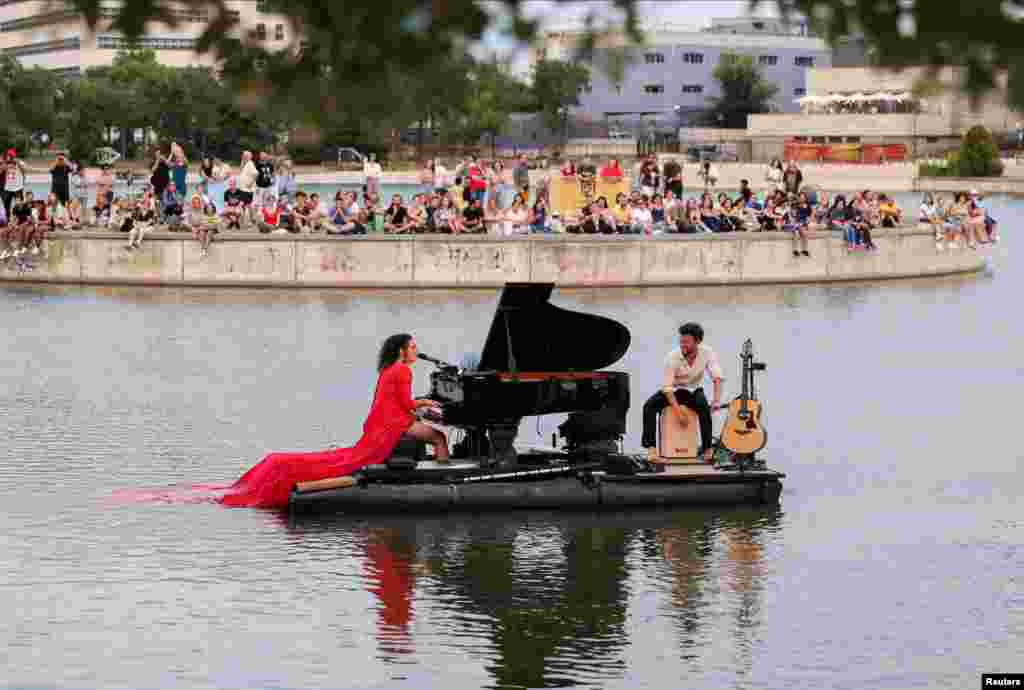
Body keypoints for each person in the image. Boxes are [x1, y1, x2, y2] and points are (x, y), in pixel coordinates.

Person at [220, 334, 448, 509]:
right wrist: (427, 403)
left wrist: (421, 405)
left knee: (349, 456)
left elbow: (397, 401)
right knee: (439, 438)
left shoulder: (388, 369)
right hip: (396, 423)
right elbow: (407, 404)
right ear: (402, 350)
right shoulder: (403, 371)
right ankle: (443, 486)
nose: (416, 352)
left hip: (383, 423)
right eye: (413, 347)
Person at [642, 323, 723, 464]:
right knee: (649, 406)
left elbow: (717, 378)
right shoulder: (672, 357)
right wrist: (679, 412)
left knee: (704, 409)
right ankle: (651, 450)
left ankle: (707, 450)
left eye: (687, 342)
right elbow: (667, 388)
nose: (683, 345)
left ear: (697, 342)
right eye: (681, 341)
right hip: (673, 390)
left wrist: (716, 401)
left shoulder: (707, 353)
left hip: (693, 390)